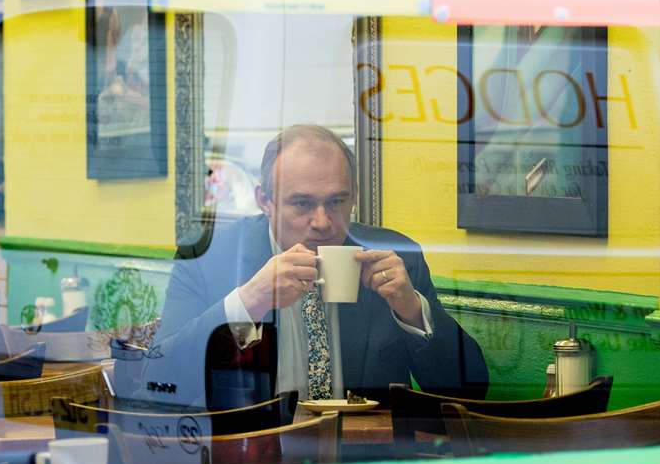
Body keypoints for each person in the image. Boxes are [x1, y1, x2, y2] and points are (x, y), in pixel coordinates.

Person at [147, 124, 487, 408]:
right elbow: (157, 379)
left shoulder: (396, 257)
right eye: (302, 203)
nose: (323, 222)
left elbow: (470, 392)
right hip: (252, 460)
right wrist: (249, 301)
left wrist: (412, 311)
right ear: (264, 200)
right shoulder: (208, 256)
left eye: (337, 201)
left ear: (354, 195)